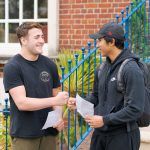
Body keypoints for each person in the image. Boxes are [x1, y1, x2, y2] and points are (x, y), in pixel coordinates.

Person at [68, 22, 145, 150]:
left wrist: (105, 120)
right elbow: (95, 97)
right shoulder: (102, 68)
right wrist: (79, 102)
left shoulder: (131, 69)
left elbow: (135, 109)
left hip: (123, 136)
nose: (97, 45)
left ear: (112, 42)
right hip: (100, 134)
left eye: (99, 41)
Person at [3, 22, 69, 150]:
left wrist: (58, 117)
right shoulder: (13, 67)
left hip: (50, 133)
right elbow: (22, 103)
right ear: (23, 40)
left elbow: (57, 96)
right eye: (36, 37)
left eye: (42, 36)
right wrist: (55, 100)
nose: (42, 41)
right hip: (25, 135)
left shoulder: (50, 64)